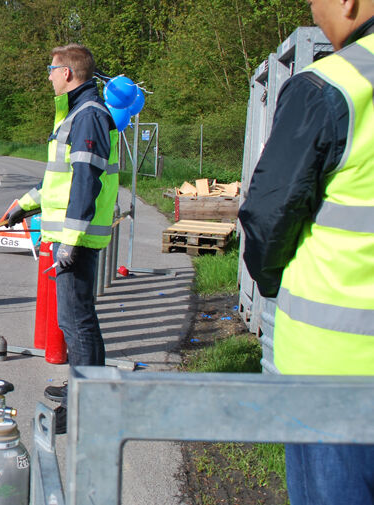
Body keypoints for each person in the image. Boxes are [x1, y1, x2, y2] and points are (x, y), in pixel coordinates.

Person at [238, 0, 374, 502]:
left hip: (337, 366)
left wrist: (273, 284)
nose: (314, 11)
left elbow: (269, 215)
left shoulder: (333, 84)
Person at [5, 44, 119, 434]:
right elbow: (58, 180)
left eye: (51, 69)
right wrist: (25, 204)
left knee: (75, 322)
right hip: (72, 235)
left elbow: (86, 182)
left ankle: (84, 406)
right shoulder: (76, 114)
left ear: (68, 73)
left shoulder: (87, 116)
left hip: (77, 240)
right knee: (80, 318)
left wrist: (69, 241)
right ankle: (90, 390)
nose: (48, 76)